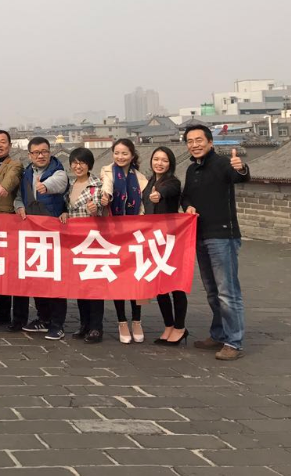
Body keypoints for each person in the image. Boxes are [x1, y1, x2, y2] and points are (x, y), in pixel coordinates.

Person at [181, 125, 250, 361]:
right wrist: (188, 206)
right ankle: (219, 334)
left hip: (222, 236)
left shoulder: (222, 164)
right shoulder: (192, 169)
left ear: (210, 142)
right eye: (190, 141)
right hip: (200, 235)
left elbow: (239, 176)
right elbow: (186, 196)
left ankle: (233, 342)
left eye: (199, 140)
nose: (195, 145)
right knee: (212, 291)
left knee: (227, 292)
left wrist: (241, 168)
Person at [15, 136, 69, 340]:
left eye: (44, 151)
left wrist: (44, 186)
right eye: (36, 152)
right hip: (33, 233)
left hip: (54, 234)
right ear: (30, 155)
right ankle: (43, 319)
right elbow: (19, 196)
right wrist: (19, 207)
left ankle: (57, 324)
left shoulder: (58, 171)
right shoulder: (27, 173)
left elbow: (59, 184)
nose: (40, 155)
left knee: (55, 280)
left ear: (50, 152)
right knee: (37, 277)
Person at [100, 138, 149, 344]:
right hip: (114, 233)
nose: (120, 157)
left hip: (135, 234)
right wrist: (106, 197)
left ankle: (137, 320)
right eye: (117, 153)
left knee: (137, 278)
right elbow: (107, 187)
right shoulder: (107, 171)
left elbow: (143, 205)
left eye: (124, 153)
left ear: (132, 155)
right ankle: (122, 321)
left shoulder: (141, 178)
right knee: (118, 278)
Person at [59, 148, 104, 344]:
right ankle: (84, 324)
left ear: (89, 165)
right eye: (75, 163)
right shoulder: (70, 186)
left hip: (93, 242)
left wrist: (96, 210)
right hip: (75, 243)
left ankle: (96, 327)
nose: (78, 166)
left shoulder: (97, 186)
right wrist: (64, 213)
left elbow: (103, 210)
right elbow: (68, 208)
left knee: (93, 286)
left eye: (82, 163)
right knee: (80, 286)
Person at [143, 147, 187, 347]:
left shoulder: (172, 182)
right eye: (156, 159)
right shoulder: (150, 181)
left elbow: (166, 192)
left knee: (175, 286)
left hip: (170, 240)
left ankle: (180, 327)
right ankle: (168, 325)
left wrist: (158, 195)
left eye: (164, 160)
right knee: (160, 287)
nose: (159, 163)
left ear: (170, 164)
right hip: (154, 240)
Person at [0, 129, 26, 331]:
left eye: (3, 142)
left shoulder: (15, 164)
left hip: (8, 224)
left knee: (14, 271)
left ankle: (19, 318)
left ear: (9, 145)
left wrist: (5, 187)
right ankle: (1, 313)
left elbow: (12, 177)